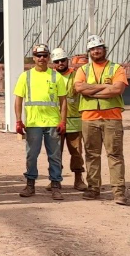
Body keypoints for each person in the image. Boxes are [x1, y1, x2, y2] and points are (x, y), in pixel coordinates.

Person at [74, 35, 130, 205]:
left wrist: (91, 91)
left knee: (114, 154)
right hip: (89, 118)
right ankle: (93, 188)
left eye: (98, 48)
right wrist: (105, 87)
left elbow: (117, 89)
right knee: (91, 154)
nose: (95, 51)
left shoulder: (116, 68)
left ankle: (118, 192)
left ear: (104, 49)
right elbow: (79, 88)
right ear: (89, 52)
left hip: (111, 118)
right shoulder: (83, 70)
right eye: (92, 49)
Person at [14, 44, 68, 200]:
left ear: (49, 57)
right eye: (39, 55)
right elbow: (18, 99)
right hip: (33, 123)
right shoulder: (26, 76)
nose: (42, 58)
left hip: (52, 122)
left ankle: (56, 186)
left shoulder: (56, 76)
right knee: (31, 155)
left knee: (55, 155)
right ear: (34, 57)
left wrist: (63, 121)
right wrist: (18, 120)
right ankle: (30, 185)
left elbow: (63, 101)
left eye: (45, 55)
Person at [51, 47, 86, 191]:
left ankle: (78, 180)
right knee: (55, 153)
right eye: (57, 61)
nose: (60, 63)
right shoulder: (51, 77)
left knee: (76, 152)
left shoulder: (76, 75)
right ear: (53, 63)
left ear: (68, 61)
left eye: (63, 60)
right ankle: (55, 180)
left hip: (74, 120)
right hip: (55, 120)